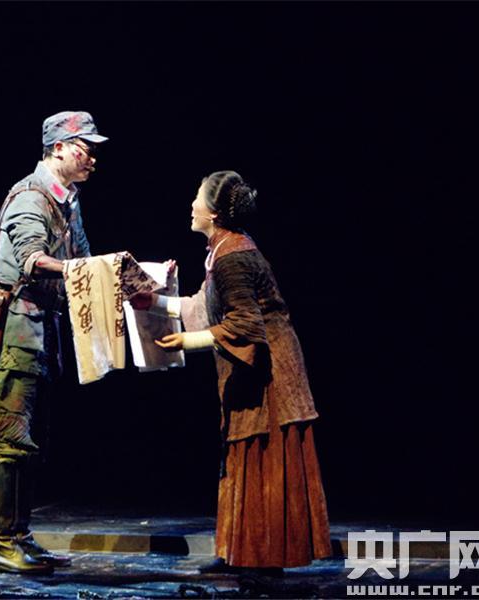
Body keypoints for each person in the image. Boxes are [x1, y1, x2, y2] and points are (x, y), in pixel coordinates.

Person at [131, 171, 331, 572]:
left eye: (197, 198)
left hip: (270, 377)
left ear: (214, 213)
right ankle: (243, 555)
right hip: (253, 372)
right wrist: (154, 302)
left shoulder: (233, 256)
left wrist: (187, 341)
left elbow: (244, 324)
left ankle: (264, 559)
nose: (192, 205)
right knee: (243, 458)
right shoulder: (223, 248)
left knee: (262, 460)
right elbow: (205, 306)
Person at [0, 111, 107, 574]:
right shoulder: (31, 196)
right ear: (58, 149)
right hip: (10, 335)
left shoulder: (68, 201)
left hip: (40, 333)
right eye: (85, 148)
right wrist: (84, 271)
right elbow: (32, 259)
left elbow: (84, 259)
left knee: (29, 444)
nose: (92, 158)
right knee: (8, 440)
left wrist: (125, 278)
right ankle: (3, 542)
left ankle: (20, 536)